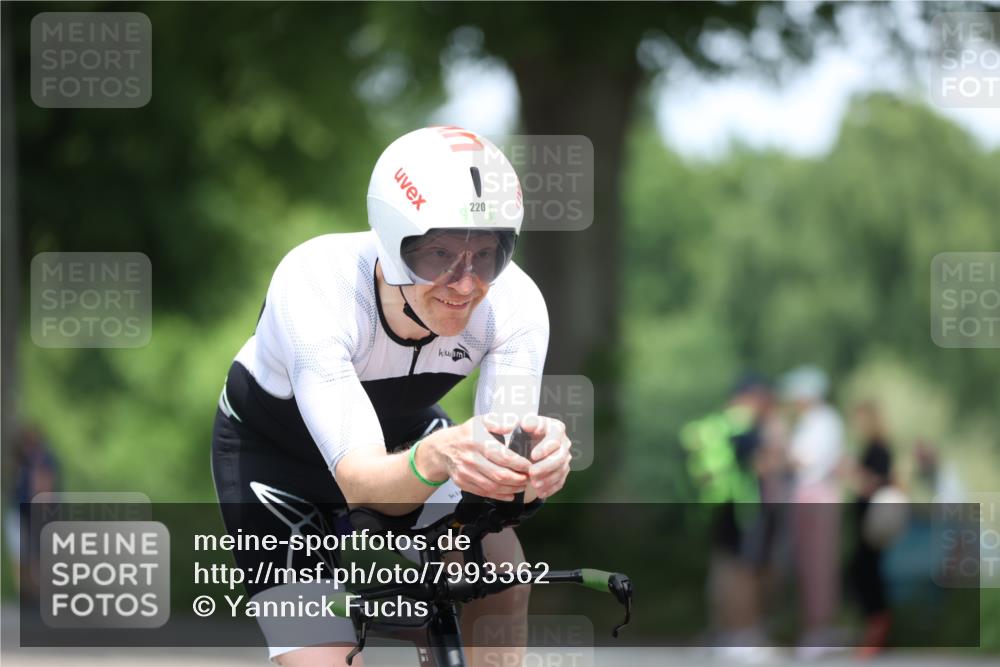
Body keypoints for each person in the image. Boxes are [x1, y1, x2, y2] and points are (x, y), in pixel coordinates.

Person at [211, 126, 573, 666]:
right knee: (324, 656)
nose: (465, 282)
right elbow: (361, 482)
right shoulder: (316, 284)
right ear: (390, 239)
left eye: (487, 254)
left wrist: (533, 469)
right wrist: (439, 455)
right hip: (276, 459)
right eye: (438, 253)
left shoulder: (516, 303)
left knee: (500, 576)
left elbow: (503, 485)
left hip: (403, 437)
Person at [680, 374, 785, 663]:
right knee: (743, 573)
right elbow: (762, 466)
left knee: (724, 569)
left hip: (717, 505)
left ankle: (724, 633)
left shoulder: (717, 424)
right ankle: (744, 635)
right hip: (743, 508)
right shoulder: (746, 424)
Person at [780, 365, 845, 659]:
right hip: (808, 497)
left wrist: (781, 454)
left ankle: (819, 631)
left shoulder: (823, 421)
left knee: (817, 565)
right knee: (808, 565)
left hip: (816, 497)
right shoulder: (811, 421)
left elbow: (807, 462)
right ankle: (815, 628)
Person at [848, 401, 894, 658]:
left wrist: (852, 473)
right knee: (861, 572)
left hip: (875, 523)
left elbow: (878, 483)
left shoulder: (879, 450)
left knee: (868, 574)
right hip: (864, 522)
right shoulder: (870, 448)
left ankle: (878, 631)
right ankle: (875, 628)